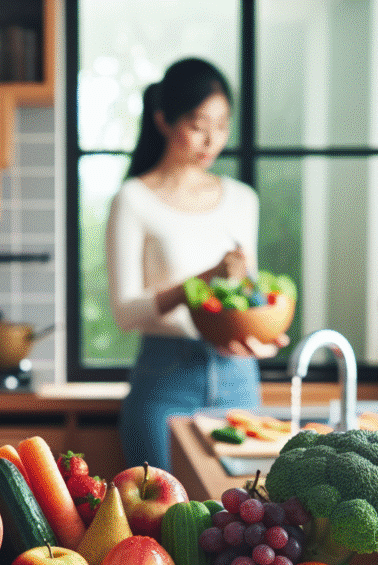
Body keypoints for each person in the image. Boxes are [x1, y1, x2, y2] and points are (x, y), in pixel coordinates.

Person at [105, 57, 287, 472]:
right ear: (164, 120)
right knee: (167, 524)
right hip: (163, 381)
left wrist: (257, 331)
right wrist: (202, 280)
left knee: (241, 521)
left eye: (222, 126)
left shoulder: (243, 200)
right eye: (198, 125)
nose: (212, 140)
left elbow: (244, 296)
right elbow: (125, 313)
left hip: (239, 380)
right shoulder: (133, 199)